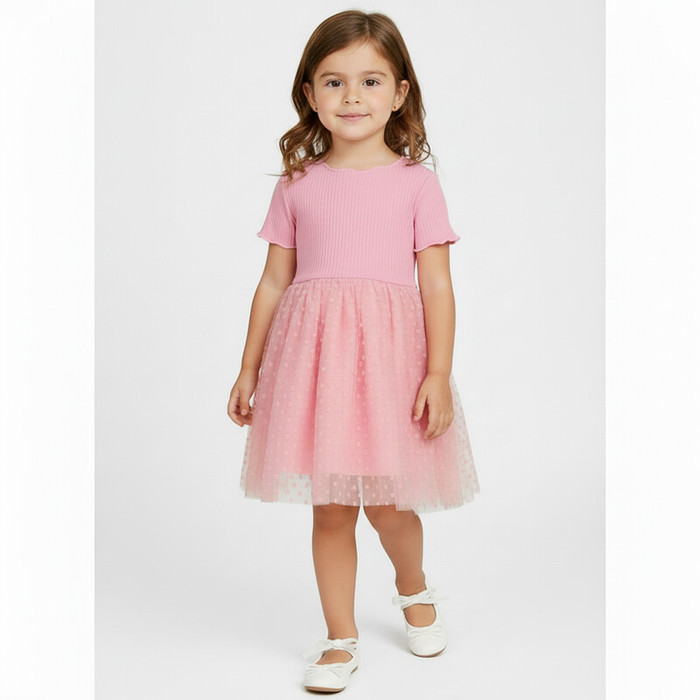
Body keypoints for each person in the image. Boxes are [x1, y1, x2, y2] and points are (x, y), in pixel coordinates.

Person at [227, 10, 480, 693]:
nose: (352, 96)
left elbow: (436, 285)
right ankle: (340, 637)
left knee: (389, 506)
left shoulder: (416, 183)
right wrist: (248, 367)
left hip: (391, 364)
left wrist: (438, 372)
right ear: (310, 93)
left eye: (370, 81)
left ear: (399, 93)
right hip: (318, 367)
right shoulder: (297, 184)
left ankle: (414, 587)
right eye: (334, 81)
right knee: (333, 507)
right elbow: (274, 280)